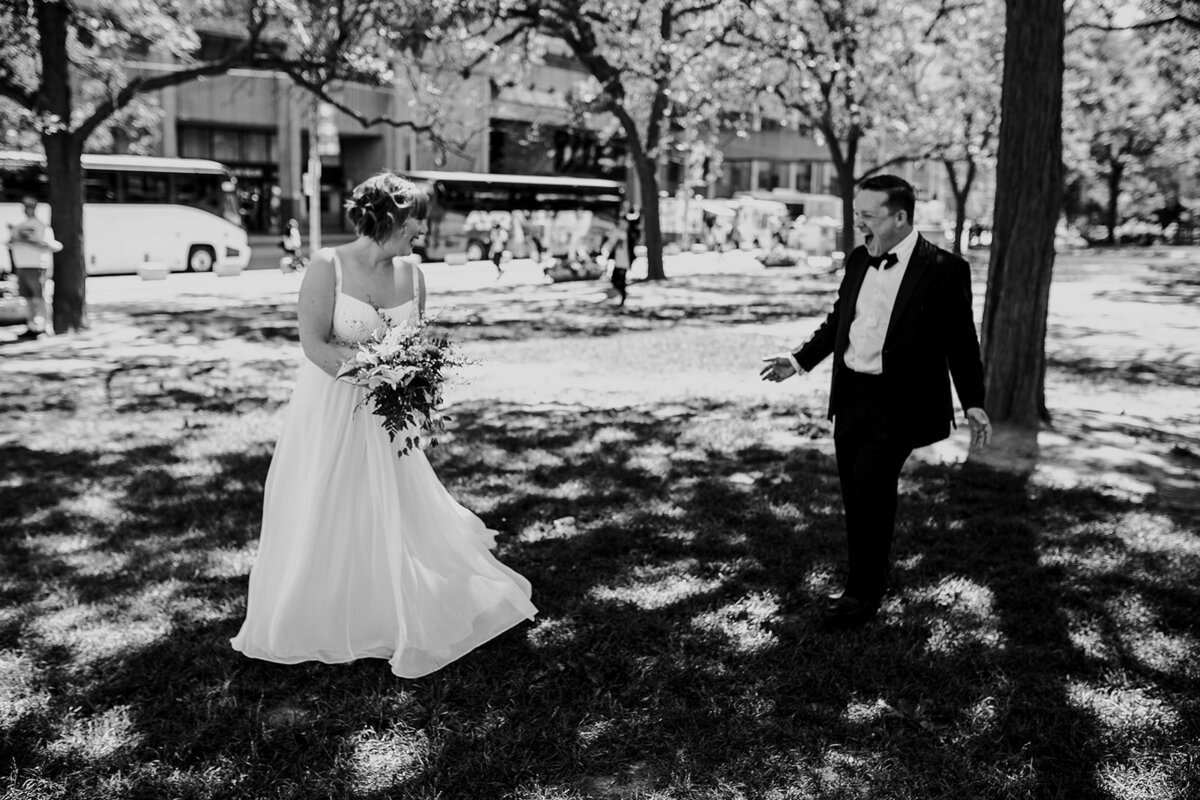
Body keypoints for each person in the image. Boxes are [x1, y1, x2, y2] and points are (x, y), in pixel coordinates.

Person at [231, 171, 537, 677]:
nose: (424, 231)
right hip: (330, 409)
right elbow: (313, 344)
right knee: (329, 500)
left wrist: (411, 383)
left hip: (386, 415)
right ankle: (324, 606)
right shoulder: (327, 266)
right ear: (391, 215)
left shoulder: (414, 275)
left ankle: (393, 601)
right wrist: (373, 374)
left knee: (390, 503)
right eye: (419, 219)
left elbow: (414, 346)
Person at [760, 174, 991, 629]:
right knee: (856, 491)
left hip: (900, 402)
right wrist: (798, 361)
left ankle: (861, 594)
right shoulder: (859, 261)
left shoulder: (945, 269)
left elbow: (960, 342)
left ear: (900, 217)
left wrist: (973, 402)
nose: (858, 223)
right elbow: (838, 322)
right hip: (851, 397)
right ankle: (870, 578)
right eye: (857, 213)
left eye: (868, 215)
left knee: (871, 486)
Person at [5, 196, 62, 340]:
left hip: (37, 266)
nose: (27, 209)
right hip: (21, 266)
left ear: (35, 208)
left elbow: (50, 246)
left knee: (41, 297)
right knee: (27, 299)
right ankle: (32, 327)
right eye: (25, 206)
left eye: (30, 206)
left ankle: (45, 327)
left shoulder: (42, 227)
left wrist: (27, 241)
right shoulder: (19, 226)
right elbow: (10, 243)